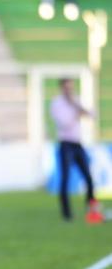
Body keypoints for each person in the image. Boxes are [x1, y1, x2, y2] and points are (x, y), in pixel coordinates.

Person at [50, 78, 102, 223]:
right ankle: (67, 214)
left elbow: (93, 115)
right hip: (65, 144)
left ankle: (92, 210)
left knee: (89, 178)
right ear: (61, 88)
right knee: (65, 179)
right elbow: (64, 124)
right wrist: (76, 111)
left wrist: (78, 107)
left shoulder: (76, 101)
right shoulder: (57, 104)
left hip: (78, 144)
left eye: (71, 87)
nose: (69, 91)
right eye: (67, 88)